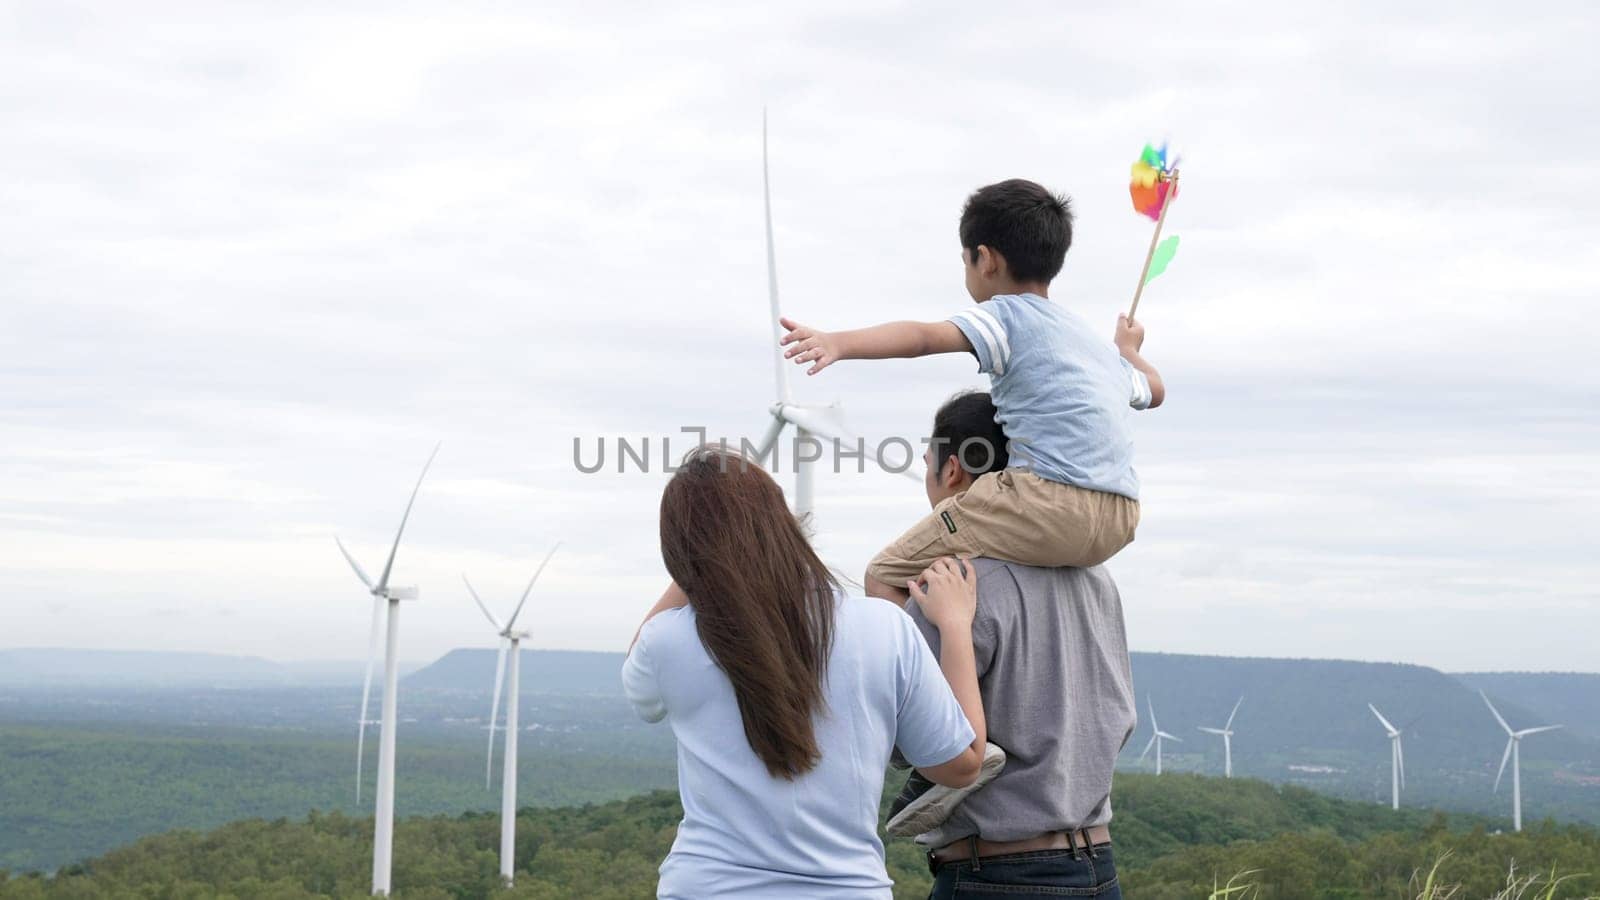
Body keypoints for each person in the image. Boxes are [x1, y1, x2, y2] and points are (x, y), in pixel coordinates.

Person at [621, 446, 990, 899]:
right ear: (783, 523)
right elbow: (962, 764)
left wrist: (706, 559)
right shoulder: (882, 627)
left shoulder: (669, 642)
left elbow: (638, 668)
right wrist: (954, 627)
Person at [778, 178, 1165, 604]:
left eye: (965, 261)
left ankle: (933, 669)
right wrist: (1129, 350)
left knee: (886, 574)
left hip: (1048, 504)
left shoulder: (1006, 315)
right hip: (1120, 518)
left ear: (985, 260)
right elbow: (1153, 389)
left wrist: (839, 343)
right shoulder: (1093, 345)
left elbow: (923, 338)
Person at [892, 390, 1139, 899]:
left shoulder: (948, 587)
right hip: (1098, 866)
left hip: (996, 875)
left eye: (927, 464)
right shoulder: (1096, 579)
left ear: (953, 470)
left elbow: (907, 742)